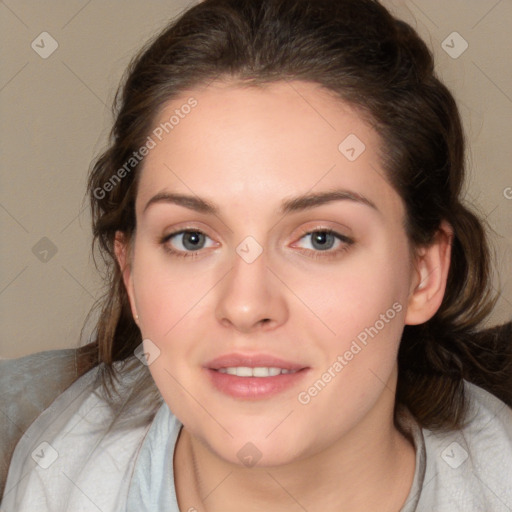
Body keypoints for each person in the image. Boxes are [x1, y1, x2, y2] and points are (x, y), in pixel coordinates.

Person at [1, 0, 511, 510]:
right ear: (130, 272)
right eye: (192, 239)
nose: (246, 305)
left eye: (321, 239)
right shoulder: (46, 471)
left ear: (423, 274)